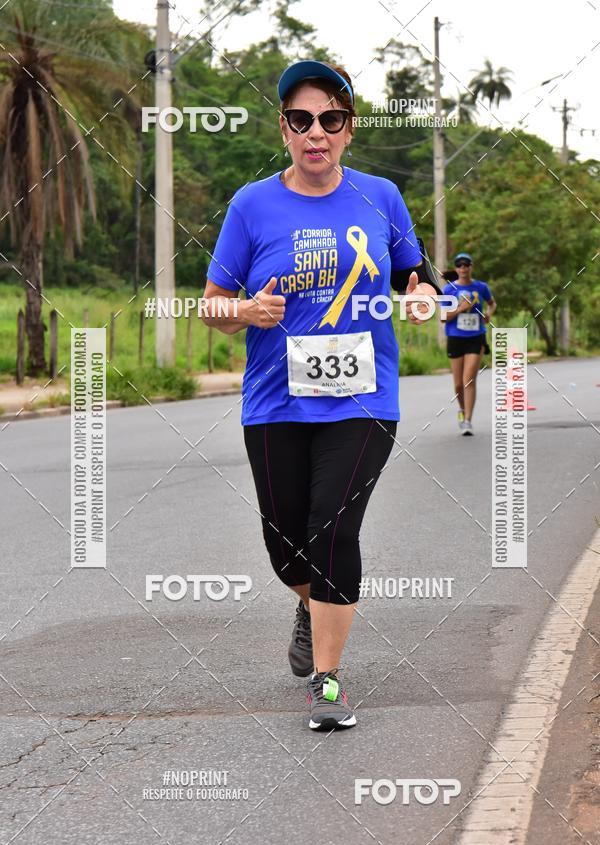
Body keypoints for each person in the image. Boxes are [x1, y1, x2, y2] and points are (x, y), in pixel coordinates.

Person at [200, 60, 438, 731]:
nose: (316, 132)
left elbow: (416, 276)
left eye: (330, 119)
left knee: (333, 528)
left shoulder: (381, 196)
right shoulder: (251, 205)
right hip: (275, 401)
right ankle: (308, 602)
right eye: (301, 119)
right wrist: (246, 312)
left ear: (349, 130)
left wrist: (421, 298)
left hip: (363, 398)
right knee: (287, 548)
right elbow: (211, 304)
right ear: (283, 129)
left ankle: (328, 681)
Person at [440, 252, 497, 435]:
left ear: (471, 267)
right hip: (455, 338)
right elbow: (443, 317)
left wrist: (488, 314)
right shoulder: (449, 290)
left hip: (476, 337)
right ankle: (462, 410)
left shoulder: (481, 287)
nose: (463, 268)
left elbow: (492, 303)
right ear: (456, 269)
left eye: (466, 265)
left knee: (469, 380)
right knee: (458, 385)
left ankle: (467, 421)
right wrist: (461, 309)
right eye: (459, 265)